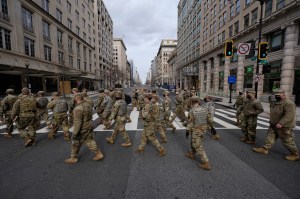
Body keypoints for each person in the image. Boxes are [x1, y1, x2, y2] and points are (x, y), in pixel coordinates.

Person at [252, 90, 299, 161]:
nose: (276, 97)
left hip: (284, 126)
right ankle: (265, 149)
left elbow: (290, 115)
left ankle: (295, 154)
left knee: (287, 140)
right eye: (275, 95)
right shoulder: (275, 102)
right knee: (270, 137)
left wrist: (281, 123)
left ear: (283, 95)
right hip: (274, 124)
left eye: (278, 95)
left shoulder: (289, 103)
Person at [65, 93, 104, 164]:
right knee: (89, 140)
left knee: (75, 143)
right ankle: (98, 153)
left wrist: (75, 133)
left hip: (82, 128)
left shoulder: (77, 109)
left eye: (74, 99)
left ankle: (73, 158)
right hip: (88, 125)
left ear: (77, 99)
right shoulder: (88, 105)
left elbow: (78, 122)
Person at [185, 96, 213, 170]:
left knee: (197, 145)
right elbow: (209, 119)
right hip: (203, 129)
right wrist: (211, 127)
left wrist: (187, 130)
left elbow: (190, 122)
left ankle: (206, 162)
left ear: (191, 102)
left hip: (196, 130)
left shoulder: (192, 111)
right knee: (193, 141)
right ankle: (192, 154)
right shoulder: (204, 109)